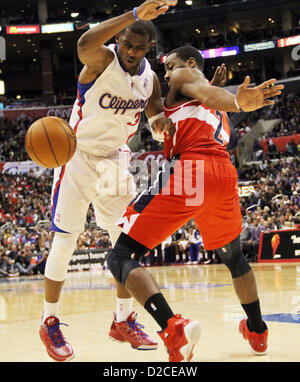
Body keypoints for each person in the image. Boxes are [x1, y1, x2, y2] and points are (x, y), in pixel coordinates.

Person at [106, 45, 284, 361]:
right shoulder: (202, 95)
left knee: (121, 256)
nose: (167, 73)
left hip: (188, 170)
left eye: (170, 66)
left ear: (189, 63)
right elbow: (205, 95)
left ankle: (173, 329)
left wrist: (237, 100)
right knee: (234, 259)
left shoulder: (189, 77)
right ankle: (257, 332)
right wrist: (226, 97)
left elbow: (204, 91)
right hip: (224, 175)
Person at [39, 0, 179, 362]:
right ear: (120, 40)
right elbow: (84, 43)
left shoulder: (150, 79)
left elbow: (154, 110)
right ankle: (48, 320)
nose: (131, 51)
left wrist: (160, 122)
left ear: (150, 49)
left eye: (139, 47)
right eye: (127, 43)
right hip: (77, 155)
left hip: (116, 160)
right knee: (65, 242)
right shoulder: (101, 60)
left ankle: (123, 320)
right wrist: (133, 15)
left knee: (125, 245)